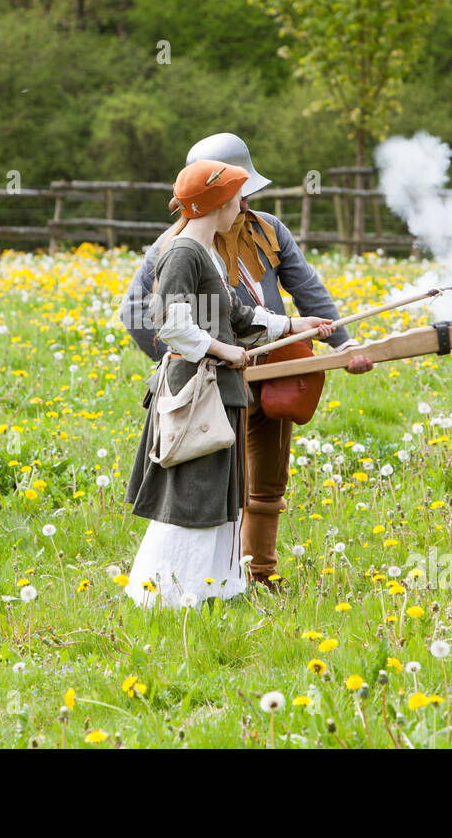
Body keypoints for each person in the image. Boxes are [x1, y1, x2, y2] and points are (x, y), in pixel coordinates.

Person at [120, 133, 373, 590]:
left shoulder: (269, 229)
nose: (245, 197)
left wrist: (341, 343)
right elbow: (139, 313)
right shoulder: (176, 246)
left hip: (276, 369)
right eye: (237, 190)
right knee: (214, 480)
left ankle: (259, 573)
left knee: (266, 479)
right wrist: (188, 361)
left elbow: (304, 292)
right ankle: (196, 584)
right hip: (216, 377)